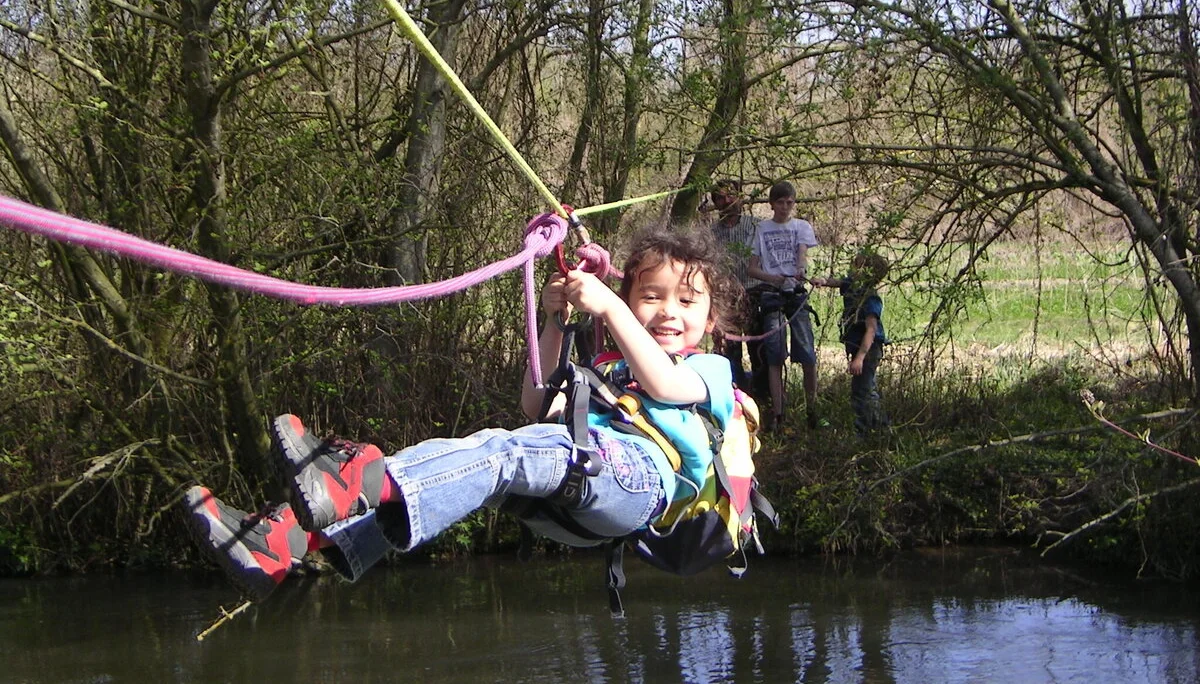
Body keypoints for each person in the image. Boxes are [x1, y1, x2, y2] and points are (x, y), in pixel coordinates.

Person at [183, 225, 742, 601]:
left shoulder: (708, 371)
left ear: (711, 319)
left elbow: (666, 386)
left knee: (504, 449)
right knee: (482, 459)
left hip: (638, 481)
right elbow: (537, 402)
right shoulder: (609, 366)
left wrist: (611, 305)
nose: (668, 312)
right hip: (577, 491)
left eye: (687, 301)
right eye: (651, 296)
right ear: (633, 298)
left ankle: (360, 477)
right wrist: (557, 323)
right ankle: (285, 543)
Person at [746, 181, 821, 431]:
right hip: (771, 295)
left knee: (807, 352)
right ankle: (779, 414)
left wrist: (799, 270)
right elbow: (752, 267)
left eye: (790, 202)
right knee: (774, 356)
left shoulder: (801, 226)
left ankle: (813, 409)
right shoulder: (762, 229)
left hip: (796, 292)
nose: (785, 207)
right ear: (772, 204)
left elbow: (802, 253)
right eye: (781, 202)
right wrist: (772, 278)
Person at [811, 250, 890, 436]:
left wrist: (860, 358)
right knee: (866, 388)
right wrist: (821, 281)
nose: (851, 269)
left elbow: (871, 330)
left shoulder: (870, 298)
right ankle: (877, 429)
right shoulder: (853, 286)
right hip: (858, 347)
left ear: (866, 272)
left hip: (869, 350)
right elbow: (837, 282)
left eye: (856, 266)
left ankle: (870, 431)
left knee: (862, 391)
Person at [704, 179, 762, 395]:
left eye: (731, 195)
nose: (727, 201)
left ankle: (761, 399)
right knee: (729, 352)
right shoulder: (711, 232)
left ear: (740, 197)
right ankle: (735, 396)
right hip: (724, 297)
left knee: (760, 352)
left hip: (755, 293)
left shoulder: (756, 226)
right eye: (720, 197)